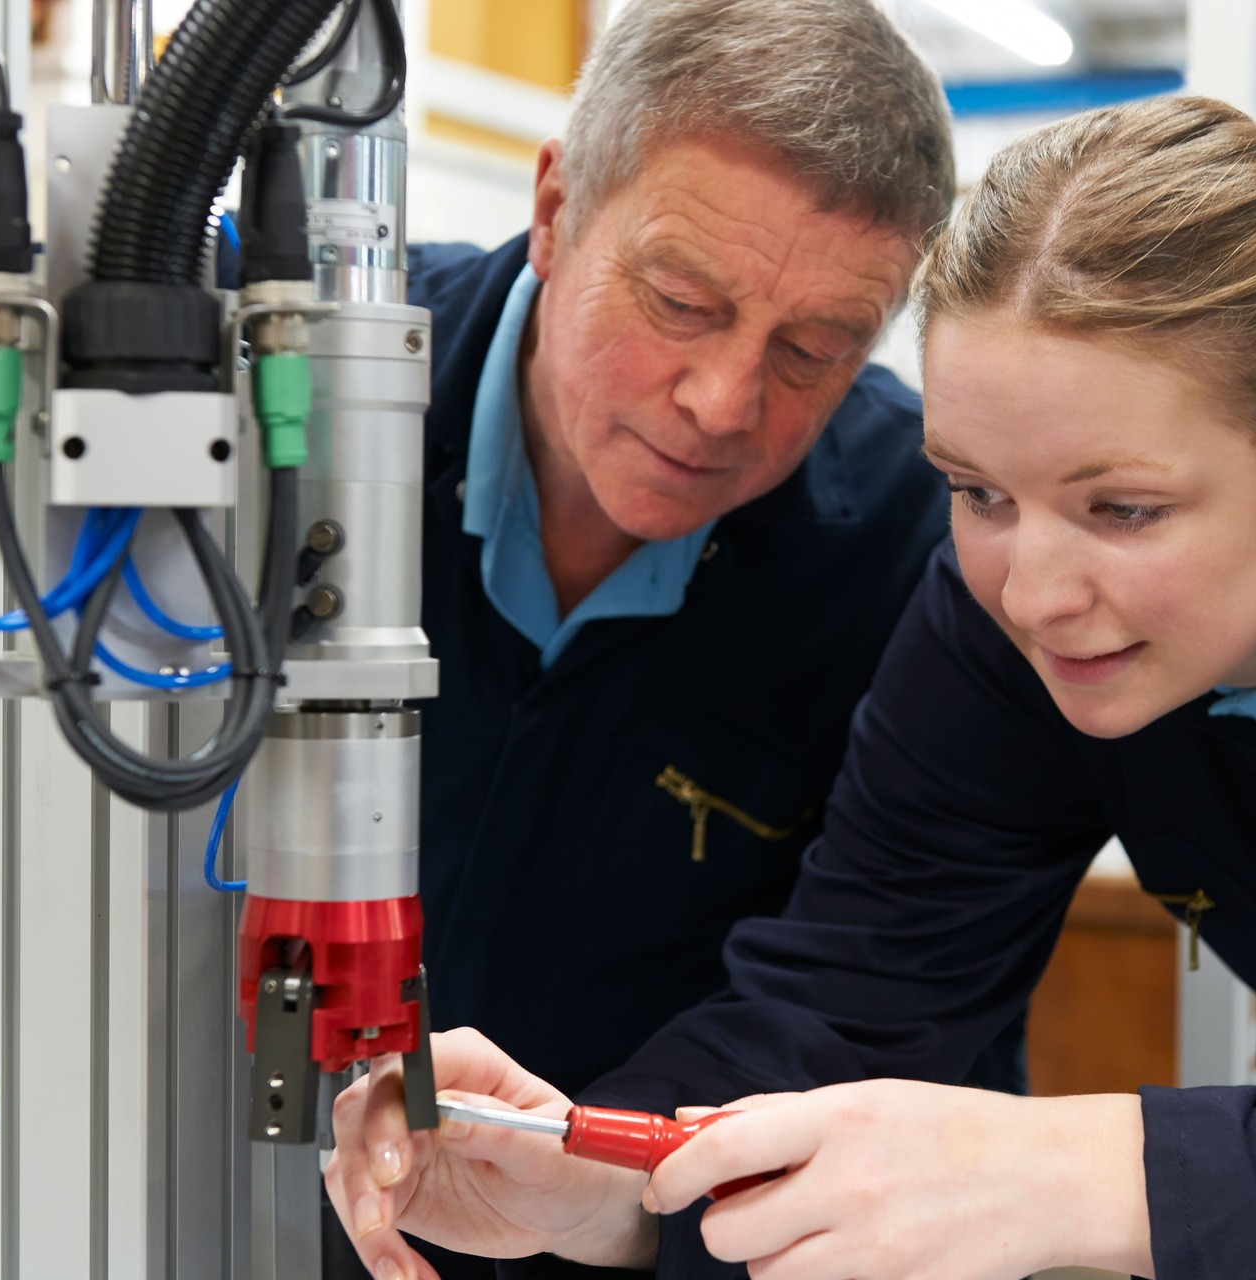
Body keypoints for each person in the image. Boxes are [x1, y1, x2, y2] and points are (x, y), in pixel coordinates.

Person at [331, 95, 1256, 1280]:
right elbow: (851, 1001)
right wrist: (604, 1176)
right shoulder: (1008, 613)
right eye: (975, 490)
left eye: (1123, 509)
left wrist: (1110, 1176)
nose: (1032, 589)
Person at [326, 2, 988, 1277]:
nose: (724, 402)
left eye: (813, 350)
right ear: (557, 208)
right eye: (683, 301)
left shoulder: (921, 546)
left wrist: (623, 1190)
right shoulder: (327, 394)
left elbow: (874, 1001)